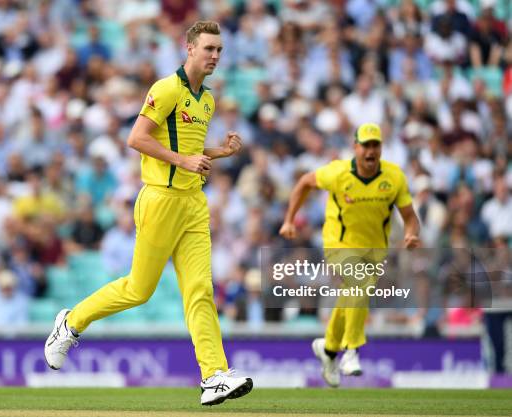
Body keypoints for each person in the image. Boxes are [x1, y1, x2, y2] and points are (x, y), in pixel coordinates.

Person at [44, 21, 253, 406]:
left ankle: (214, 375)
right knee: (139, 290)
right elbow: (136, 138)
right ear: (189, 48)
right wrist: (183, 160)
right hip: (159, 199)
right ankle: (71, 322)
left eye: (220, 50)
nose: (215, 56)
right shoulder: (166, 88)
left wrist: (218, 153)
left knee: (200, 291)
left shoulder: (206, 99)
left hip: (193, 203)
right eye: (208, 48)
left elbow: (187, 147)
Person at [279, 122, 421, 387]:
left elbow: (410, 217)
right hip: (338, 243)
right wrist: (289, 219)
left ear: (381, 148)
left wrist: (412, 234)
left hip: (375, 250)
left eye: (375, 145)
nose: (370, 150)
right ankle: (352, 351)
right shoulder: (338, 173)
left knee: (353, 293)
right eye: (365, 145)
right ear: (355, 147)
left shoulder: (394, 177)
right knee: (357, 284)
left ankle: (330, 349)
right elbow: (304, 182)